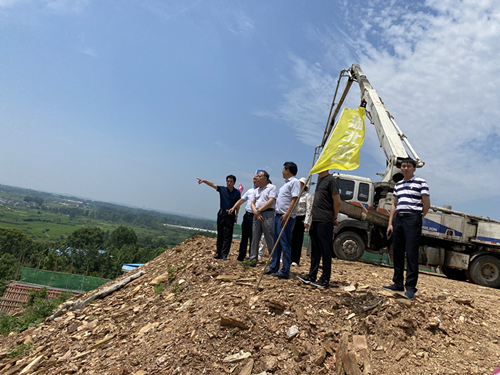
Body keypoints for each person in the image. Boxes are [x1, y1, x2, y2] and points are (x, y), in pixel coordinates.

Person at [383, 158, 430, 300]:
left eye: (408, 166)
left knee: (411, 253)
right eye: (403, 166)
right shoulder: (398, 185)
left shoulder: (421, 182)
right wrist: (390, 223)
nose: (405, 168)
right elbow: (394, 204)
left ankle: (410, 287)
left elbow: (426, 203)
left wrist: (418, 217)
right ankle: (397, 283)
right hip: (398, 220)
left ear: (414, 168)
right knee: (397, 252)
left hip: (412, 219)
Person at [298, 170, 341, 289]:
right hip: (316, 219)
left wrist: (334, 217)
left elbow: (337, 202)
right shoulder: (320, 180)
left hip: (325, 220)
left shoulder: (331, 180)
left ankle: (325, 279)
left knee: (325, 249)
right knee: (315, 249)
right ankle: (312, 275)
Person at [265, 162, 301, 279]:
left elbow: (294, 199)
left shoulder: (294, 182)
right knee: (277, 243)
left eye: (283, 169)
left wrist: (287, 214)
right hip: (278, 215)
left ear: (288, 170)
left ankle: (285, 270)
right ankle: (274, 267)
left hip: (286, 217)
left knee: (285, 243)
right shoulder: (286, 184)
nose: (282, 171)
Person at [197, 175, 241, 260]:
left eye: (231, 181)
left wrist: (236, 215)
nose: (229, 183)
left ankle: (224, 254)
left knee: (228, 235)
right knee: (220, 233)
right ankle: (218, 253)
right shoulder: (222, 189)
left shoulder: (237, 193)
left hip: (230, 215)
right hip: (222, 213)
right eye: (228, 181)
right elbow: (213, 185)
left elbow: (238, 205)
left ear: (234, 183)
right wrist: (204, 181)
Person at [248, 170, 276, 266]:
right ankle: (252, 259)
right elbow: (252, 202)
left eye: (259, 176)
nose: (257, 178)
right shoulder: (256, 190)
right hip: (256, 214)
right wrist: (255, 212)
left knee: (269, 237)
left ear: (265, 178)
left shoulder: (271, 187)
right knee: (255, 237)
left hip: (268, 214)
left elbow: (271, 200)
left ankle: (274, 260)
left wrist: (259, 210)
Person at [229, 174, 258, 261]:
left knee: (253, 238)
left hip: (255, 216)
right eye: (253, 179)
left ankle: (252, 257)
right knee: (244, 236)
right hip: (247, 215)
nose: (254, 181)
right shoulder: (250, 191)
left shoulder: (262, 191)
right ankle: (241, 255)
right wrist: (233, 208)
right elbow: (242, 200)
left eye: (256, 179)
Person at [290, 177, 312, 266]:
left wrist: (306, 221)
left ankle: (295, 259)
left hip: (301, 218)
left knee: (298, 239)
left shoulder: (307, 196)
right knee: (290, 238)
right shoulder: (294, 194)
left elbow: (309, 209)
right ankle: (288, 257)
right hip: (293, 217)